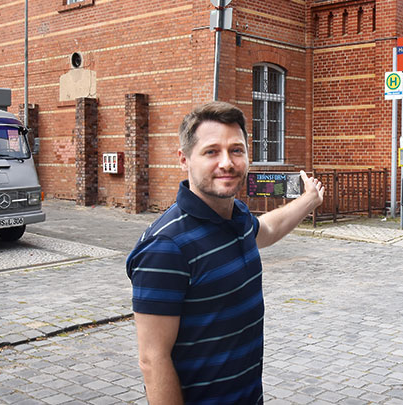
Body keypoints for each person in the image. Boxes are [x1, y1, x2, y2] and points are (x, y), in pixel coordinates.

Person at [126, 101, 325, 404]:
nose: (227, 163)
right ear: (184, 159)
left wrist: (309, 199)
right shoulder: (166, 247)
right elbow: (153, 360)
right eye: (211, 152)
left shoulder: (236, 217)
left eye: (236, 150)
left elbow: (266, 230)